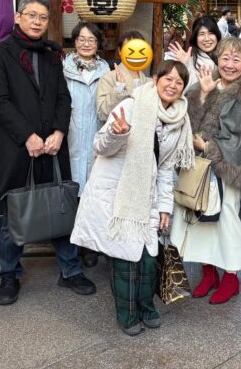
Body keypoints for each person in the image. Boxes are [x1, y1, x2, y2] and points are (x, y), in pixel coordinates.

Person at [0, 0, 96, 306]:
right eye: (31, 15)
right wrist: (27, 136)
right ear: (18, 17)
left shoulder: (51, 54)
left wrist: (59, 131)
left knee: (60, 204)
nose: (37, 22)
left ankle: (70, 270)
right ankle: (9, 274)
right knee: (14, 210)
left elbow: (62, 97)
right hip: (18, 147)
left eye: (43, 17)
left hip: (53, 145)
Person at [70, 61, 193, 336]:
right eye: (168, 79)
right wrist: (119, 133)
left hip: (149, 197)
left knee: (148, 259)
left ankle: (147, 307)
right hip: (119, 196)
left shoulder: (180, 119)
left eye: (179, 82)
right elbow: (100, 146)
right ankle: (127, 314)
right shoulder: (131, 105)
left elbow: (166, 168)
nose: (172, 85)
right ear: (155, 79)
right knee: (125, 260)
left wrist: (165, 207)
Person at [169, 37, 241, 305]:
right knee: (198, 219)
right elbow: (187, 119)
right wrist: (204, 95)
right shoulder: (206, 83)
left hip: (228, 168)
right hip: (199, 167)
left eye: (236, 59)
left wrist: (209, 146)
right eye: (225, 58)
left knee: (227, 220)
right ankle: (208, 274)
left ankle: (230, 277)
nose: (229, 64)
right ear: (217, 59)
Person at [63, 22, 110, 268]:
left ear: (98, 43)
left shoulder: (107, 71)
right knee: (71, 193)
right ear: (75, 41)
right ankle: (70, 246)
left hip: (96, 137)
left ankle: (89, 245)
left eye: (91, 39)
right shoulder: (63, 69)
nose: (86, 43)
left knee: (93, 194)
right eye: (81, 39)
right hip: (69, 138)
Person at [96, 30, 148, 122]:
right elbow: (102, 114)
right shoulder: (108, 78)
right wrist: (118, 88)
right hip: (117, 130)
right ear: (120, 51)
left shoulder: (149, 82)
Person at [166, 16, 220, 92]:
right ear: (195, 38)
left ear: (217, 36)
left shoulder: (221, 57)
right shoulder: (190, 62)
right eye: (201, 34)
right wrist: (185, 65)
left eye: (211, 33)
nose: (207, 39)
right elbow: (185, 91)